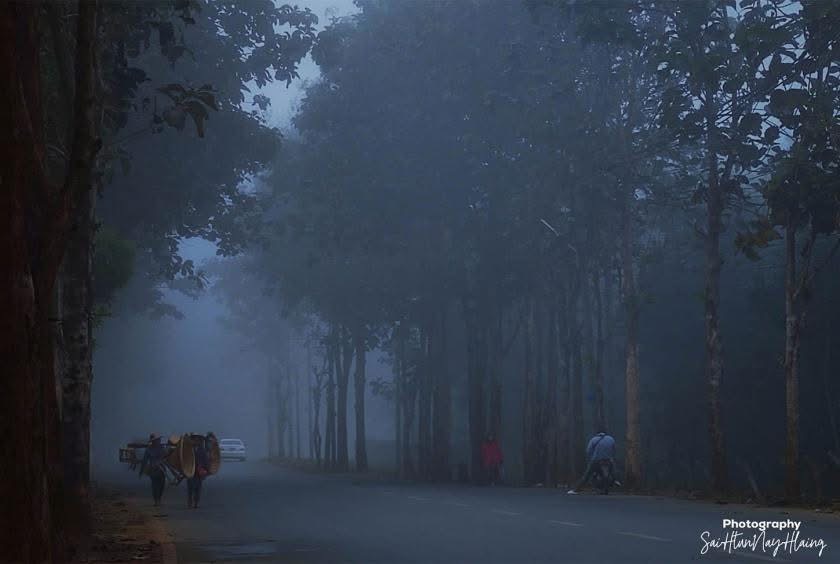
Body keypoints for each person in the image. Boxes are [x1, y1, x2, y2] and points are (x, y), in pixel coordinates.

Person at [567, 428, 620, 494]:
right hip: (607, 460)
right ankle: (606, 490)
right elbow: (614, 449)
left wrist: (593, 456)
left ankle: (576, 490)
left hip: (596, 460)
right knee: (606, 476)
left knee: (587, 475)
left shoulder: (594, 439)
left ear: (597, 433)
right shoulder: (611, 439)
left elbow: (588, 451)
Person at [140, 433, 167, 506]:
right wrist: (141, 471)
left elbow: (166, 457)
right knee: (155, 486)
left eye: (159, 440)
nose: (158, 441)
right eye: (157, 440)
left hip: (162, 470)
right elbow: (144, 461)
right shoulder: (148, 450)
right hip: (153, 470)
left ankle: (159, 499)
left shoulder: (162, 448)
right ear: (153, 441)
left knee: (162, 486)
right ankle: (156, 500)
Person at [187, 435, 210, 508]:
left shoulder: (202, 450)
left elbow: (206, 461)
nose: (196, 441)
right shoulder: (188, 450)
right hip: (190, 471)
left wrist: (205, 469)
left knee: (198, 488)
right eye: (195, 440)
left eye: (198, 440)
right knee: (190, 487)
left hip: (199, 472)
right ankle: (190, 501)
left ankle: (196, 502)